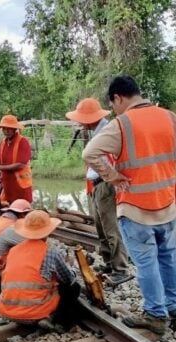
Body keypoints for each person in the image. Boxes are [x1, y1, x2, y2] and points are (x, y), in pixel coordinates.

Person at [83, 75, 176, 335]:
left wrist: (113, 176)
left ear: (118, 98)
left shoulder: (123, 123)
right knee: (169, 257)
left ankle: (155, 314)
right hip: (167, 203)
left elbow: (90, 153)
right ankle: (175, 308)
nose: (115, 109)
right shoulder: (171, 117)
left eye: (114, 104)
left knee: (147, 262)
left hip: (136, 207)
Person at [67, 98, 132, 285]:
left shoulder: (105, 131)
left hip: (105, 183)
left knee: (110, 227)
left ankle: (121, 267)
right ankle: (109, 262)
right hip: (97, 184)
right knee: (101, 227)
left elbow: (108, 161)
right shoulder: (96, 131)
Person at [0, 210, 81, 331]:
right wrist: (70, 268)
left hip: (7, 310)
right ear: (48, 231)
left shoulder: (13, 250)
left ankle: (27, 317)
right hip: (34, 312)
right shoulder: (50, 252)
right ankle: (58, 321)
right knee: (74, 287)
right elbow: (68, 279)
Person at [0, 114, 33, 204]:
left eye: (9, 128)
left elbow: (21, 164)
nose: (6, 131)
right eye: (4, 129)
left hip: (21, 187)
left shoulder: (23, 141)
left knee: (22, 211)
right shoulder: (3, 143)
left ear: (15, 129)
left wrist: (0, 168)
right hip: (8, 186)